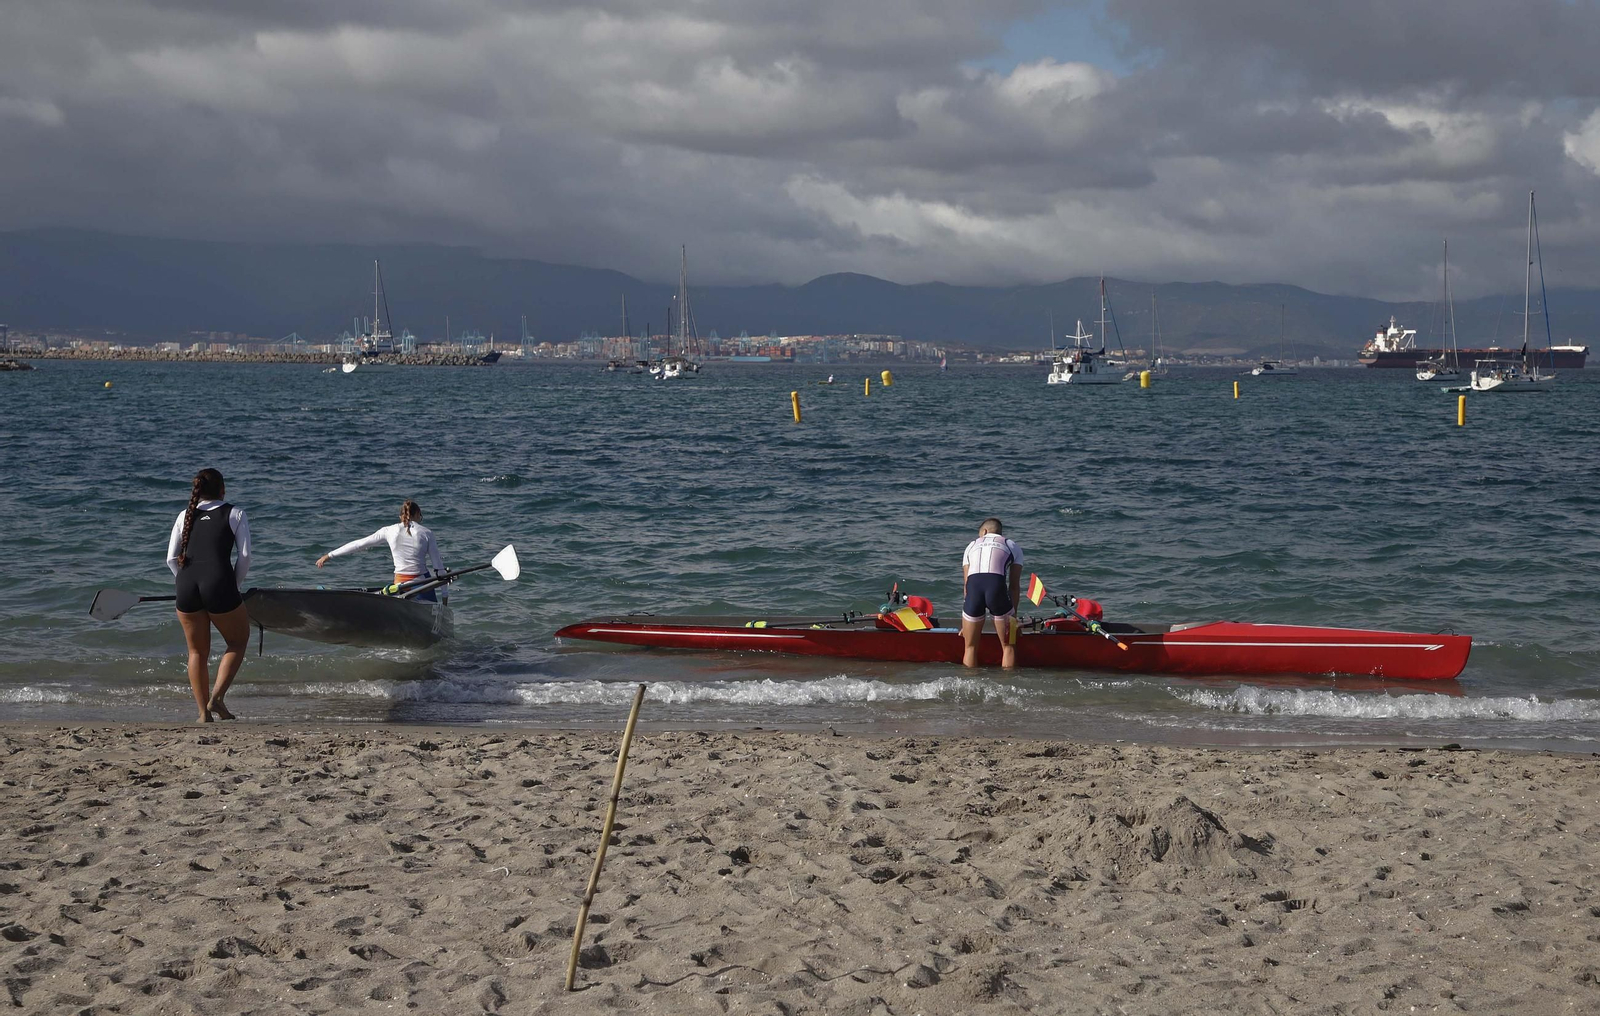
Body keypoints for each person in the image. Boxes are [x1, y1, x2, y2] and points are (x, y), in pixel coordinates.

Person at [165, 467, 251, 722]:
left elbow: (171, 558)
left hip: (186, 585)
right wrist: (232, 586)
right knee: (237, 641)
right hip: (219, 584)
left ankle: (203, 713)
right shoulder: (235, 513)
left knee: (196, 652)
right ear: (223, 490)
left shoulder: (184, 515)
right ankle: (217, 699)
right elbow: (244, 557)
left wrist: (185, 582)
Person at [315, 500, 446, 601]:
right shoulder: (427, 533)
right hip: (422, 584)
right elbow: (439, 570)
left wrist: (329, 555)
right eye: (420, 516)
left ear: (400, 516)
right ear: (417, 514)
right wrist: (445, 598)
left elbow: (359, 544)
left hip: (399, 583)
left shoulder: (388, 531)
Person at [960, 517, 1023, 669]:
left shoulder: (971, 545)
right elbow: (1014, 586)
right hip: (996, 588)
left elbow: (966, 585)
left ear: (984, 531)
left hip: (973, 590)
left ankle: (968, 686)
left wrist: (966, 624)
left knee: (970, 647)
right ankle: (1008, 687)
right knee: (1008, 647)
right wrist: (1013, 619)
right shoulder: (1011, 545)